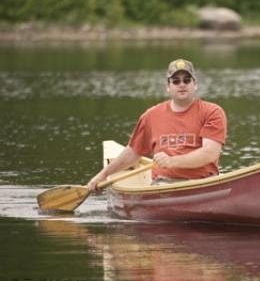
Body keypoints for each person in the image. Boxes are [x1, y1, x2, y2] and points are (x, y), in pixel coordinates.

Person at [87, 59, 227, 192]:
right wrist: (103, 175)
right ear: (168, 86)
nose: (182, 84)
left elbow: (210, 153)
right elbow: (132, 153)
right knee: (161, 184)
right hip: (164, 184)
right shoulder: (151, 116)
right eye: (176, 81)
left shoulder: (212, 112)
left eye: (187, 80)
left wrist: (172, 161)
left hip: (204, 182)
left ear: (195, 84)